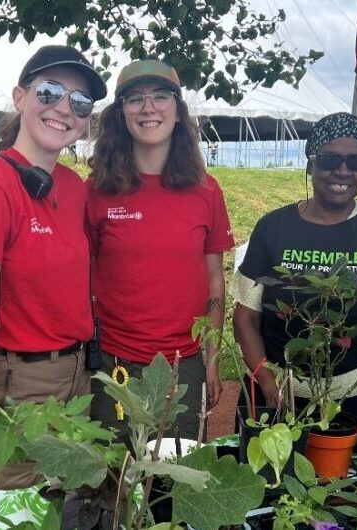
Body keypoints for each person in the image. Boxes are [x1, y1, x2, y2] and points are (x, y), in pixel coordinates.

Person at [0, 45, 107, 489]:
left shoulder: (73, 187)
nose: (64, 108)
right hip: (17, 387)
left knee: (65, 507)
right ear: (20, 97)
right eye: (51, 91)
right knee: (14, 508)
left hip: (77, 378)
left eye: (80, 102)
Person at [231, 112, 357, 427]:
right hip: (280, 395)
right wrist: (267, 383)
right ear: (310, 164)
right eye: (329, 160)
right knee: (267, 476)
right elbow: (245, 318)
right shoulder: (273, 228)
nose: (343, 171)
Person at [86, 60, 235, 440]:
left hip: (181, 368)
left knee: (174, 485)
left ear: (177, 110)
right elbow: (79, 278)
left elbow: (215, 285)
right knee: (111, 483)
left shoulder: (206, 190)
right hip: (114, 364)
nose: (148, 108)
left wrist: (212, 362)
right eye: (135, 99)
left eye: (160, 96)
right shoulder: (98, 190)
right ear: (121, 114)